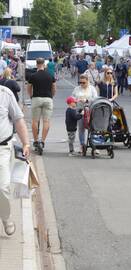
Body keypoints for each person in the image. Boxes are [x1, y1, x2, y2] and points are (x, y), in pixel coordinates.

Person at [0, 85, 30, 236]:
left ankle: (5, 217)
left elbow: (18, 119)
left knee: (2, 187)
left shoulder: (5, 93)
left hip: (2, 148)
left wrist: (25, 143)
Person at [27, 58, 56, 151]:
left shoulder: (33, 76)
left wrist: (31, 95)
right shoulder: (50, 76)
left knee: (35, 121)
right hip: (48, 98)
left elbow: (29, 87)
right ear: (44, 64)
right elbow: (54, 87)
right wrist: (51, 95)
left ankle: (35, 141)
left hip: (36, 98)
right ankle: (42, 141)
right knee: (46, 121)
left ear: (36, 64)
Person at [72, 74, 98, 153]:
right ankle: (82, 145)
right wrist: (76, 100)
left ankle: (95, 146)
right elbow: (72, 98)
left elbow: (96, 99)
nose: (82, 84)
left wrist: (87, 100)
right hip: (80, 110)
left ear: (88, 81)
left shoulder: (92, 89)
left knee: (93, 129)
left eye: (84, 82)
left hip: (90, 111)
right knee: (81, 128)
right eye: (80, 82)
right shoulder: (77, 89)